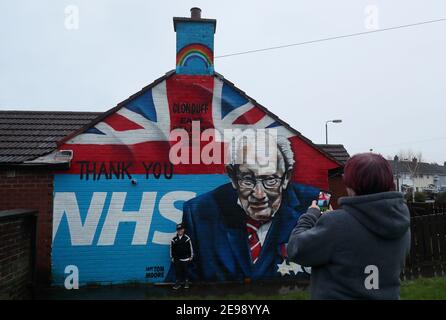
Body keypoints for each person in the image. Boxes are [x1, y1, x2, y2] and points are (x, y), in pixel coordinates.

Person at [179, 135, 319, 282]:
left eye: (270, 180)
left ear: (286, 177)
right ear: (233, 177)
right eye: (247, 179)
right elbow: (182, 279)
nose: (259, 194)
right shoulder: (199, 212)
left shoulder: (316, 202)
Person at [287, 153, 411, 300]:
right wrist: (332, 221)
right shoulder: (400, 222)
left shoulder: (336, 224)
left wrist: (312, 215)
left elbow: (296, 249)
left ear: (351, 185)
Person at [170, 223, 193, 290]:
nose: (180, 231)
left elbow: (190, 248)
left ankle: (186, 282)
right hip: (177, 258)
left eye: (181, 229)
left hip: (185, 258)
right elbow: (171, 248)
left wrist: (191, 256)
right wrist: (172, 257)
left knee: (185, 271)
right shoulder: (174, 239)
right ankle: (178, 283)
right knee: (177, 271)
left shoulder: (187, 238)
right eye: (178, 230)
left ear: (183, 230)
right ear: (177, 231)